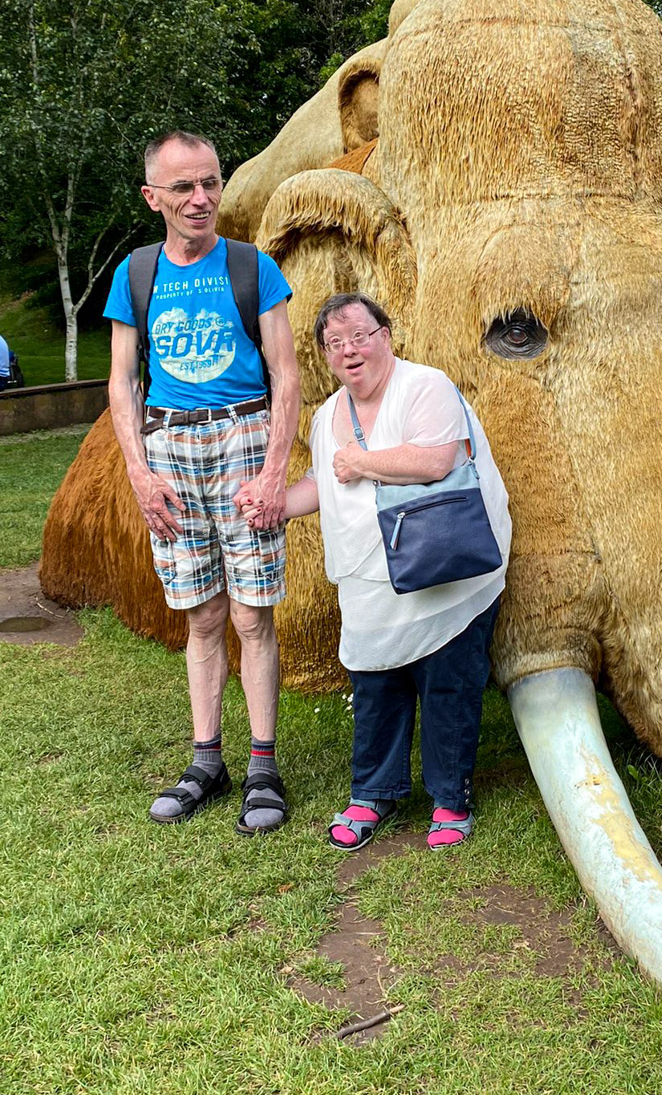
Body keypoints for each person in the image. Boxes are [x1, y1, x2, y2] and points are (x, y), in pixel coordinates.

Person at [263, 291, 510, 852]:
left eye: (359, 336)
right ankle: (374, 792)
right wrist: (272, 502)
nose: (349, 350)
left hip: (446, 568)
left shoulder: (426, 386)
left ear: (385, 337)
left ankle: (450, 800)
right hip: (370, 581)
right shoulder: (328, 416)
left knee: (449, 684)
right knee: (376, 683)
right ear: (326, 356)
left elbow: (435, 460)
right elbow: (325, 487)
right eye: (334, 343)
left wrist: (359, 462)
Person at [105, 130, 300, 832]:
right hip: (170, 452)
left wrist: (276, 470)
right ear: (152, 196)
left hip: (245, 439)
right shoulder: (136, 274)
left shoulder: (253, 267)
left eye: (210, 182)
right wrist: (138, 471)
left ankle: (263, 766)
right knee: (204, 614)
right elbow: (122, 382)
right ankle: (206, 760)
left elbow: (286, 375)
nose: (201, 198)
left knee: (252, 613)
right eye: (183, 186)